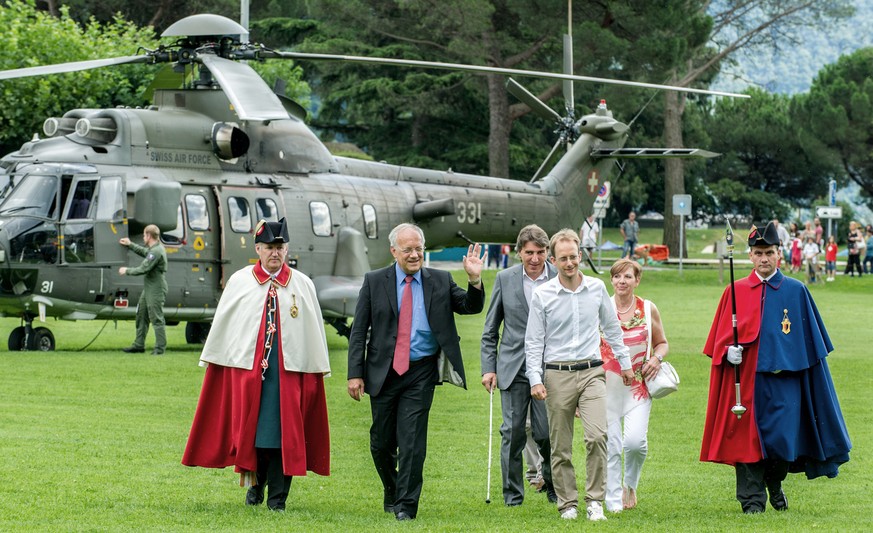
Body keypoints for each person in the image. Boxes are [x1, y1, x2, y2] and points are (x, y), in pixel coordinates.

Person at [700, 221, 851, 514]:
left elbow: (812, 346)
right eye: (758, 253)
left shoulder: (796, 291)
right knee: (746, 443)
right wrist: (726, 351)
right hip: (745, 381)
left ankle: (775, 482)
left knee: (782, 442)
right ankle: (752, 501)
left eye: (769, 252)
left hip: (785, 382)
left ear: (779, 254)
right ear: (750, 256)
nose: (764, 258)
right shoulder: (735, 291)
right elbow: (718, 339)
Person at [181, 218, 331, 511]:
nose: (275, 253)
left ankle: (278, 498)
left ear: (287, 250)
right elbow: (229, 330)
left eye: (280, 247)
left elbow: (312, 333)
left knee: (284, 437)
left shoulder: (303, 284)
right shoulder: (240, 281)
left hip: (289, 375)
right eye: (269, 248)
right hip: (249, 375)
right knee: (254, 435)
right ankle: (254, 489)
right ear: (258, 249)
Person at [347, 223, 485, 521]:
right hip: (383, 372)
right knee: (381, 442)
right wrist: (354, 373)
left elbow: (469, 307)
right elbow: (358, 331)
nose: (413, 255)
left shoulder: (440, 279)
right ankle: (392, 488)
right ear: (393, 251)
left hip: (420, 371)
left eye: (418, 249)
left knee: (411, 440)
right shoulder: (374, 281)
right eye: (407, 249)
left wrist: (474, 280)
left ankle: (406, 507)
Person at [525, 229, 634, 522]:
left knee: (598, 436)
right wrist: (535, 378)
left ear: (581, 256)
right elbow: (534, 341)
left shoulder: (597, 289)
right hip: (556, 374)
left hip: (591, 371)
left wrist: (625, 364)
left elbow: (611, 329)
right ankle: (567, 503)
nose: (570, 263)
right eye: (563, 258)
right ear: (553, 260)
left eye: (574, 257)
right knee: (560, 445)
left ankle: (595, 500)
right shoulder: (543, 294)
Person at [481, 225, 557, 507]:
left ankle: (552, 484)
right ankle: (512, 495)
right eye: (529, 253)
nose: (535, 259)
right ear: (519, 252)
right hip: (512, 368)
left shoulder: (560, 277)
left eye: (540, 252)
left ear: (547, 252)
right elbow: (490, 329)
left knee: (546, 433)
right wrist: (488, 367)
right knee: (512, 432)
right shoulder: (505, 278)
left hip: (550, 368)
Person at [599, 259, 668, 514]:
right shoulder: (601, 307)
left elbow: (662, 343)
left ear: (637, 280)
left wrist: (656, 358)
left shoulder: (648, 309)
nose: (621, 282)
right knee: (612, 446)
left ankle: (630, 484)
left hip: (638, 388)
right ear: (611, 280)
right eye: (617, 277)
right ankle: (614, 500)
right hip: (606, 389)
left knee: (635, 443)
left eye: (627, 277)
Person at [118, 224, 168, 354]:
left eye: (144, 235)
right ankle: (139, 345)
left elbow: (143, 269)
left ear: (149, 236)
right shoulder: (154, 249)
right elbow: (144, 252)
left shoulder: (156, 251)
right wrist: (130, 244)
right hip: (149, 288)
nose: (143, 237)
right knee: (141, 315)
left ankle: (160, 349)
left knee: (156, 318)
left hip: (156, 289)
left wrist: (126, 270)